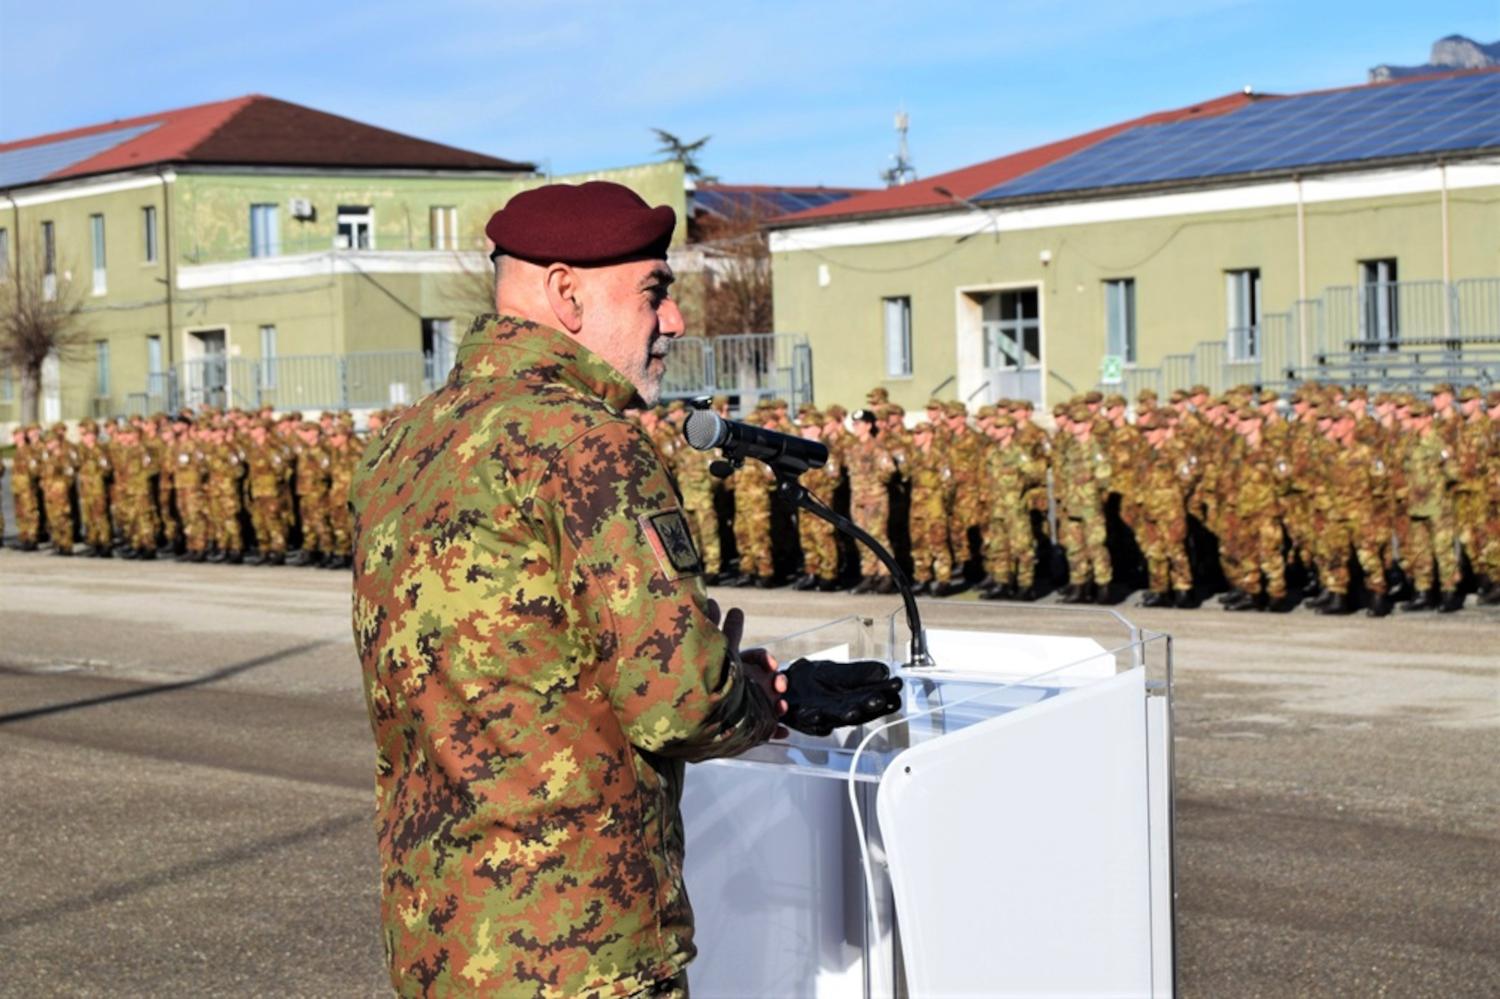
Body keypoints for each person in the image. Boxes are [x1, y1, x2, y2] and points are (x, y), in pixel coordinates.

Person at [349, 181, 899, 998]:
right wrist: (767, 694)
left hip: (443, 937)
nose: (672, 320)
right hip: (575, 949)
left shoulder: (402, 448)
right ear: (566, 291)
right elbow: (678, 699)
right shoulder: (585, 446)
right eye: (654, 290)